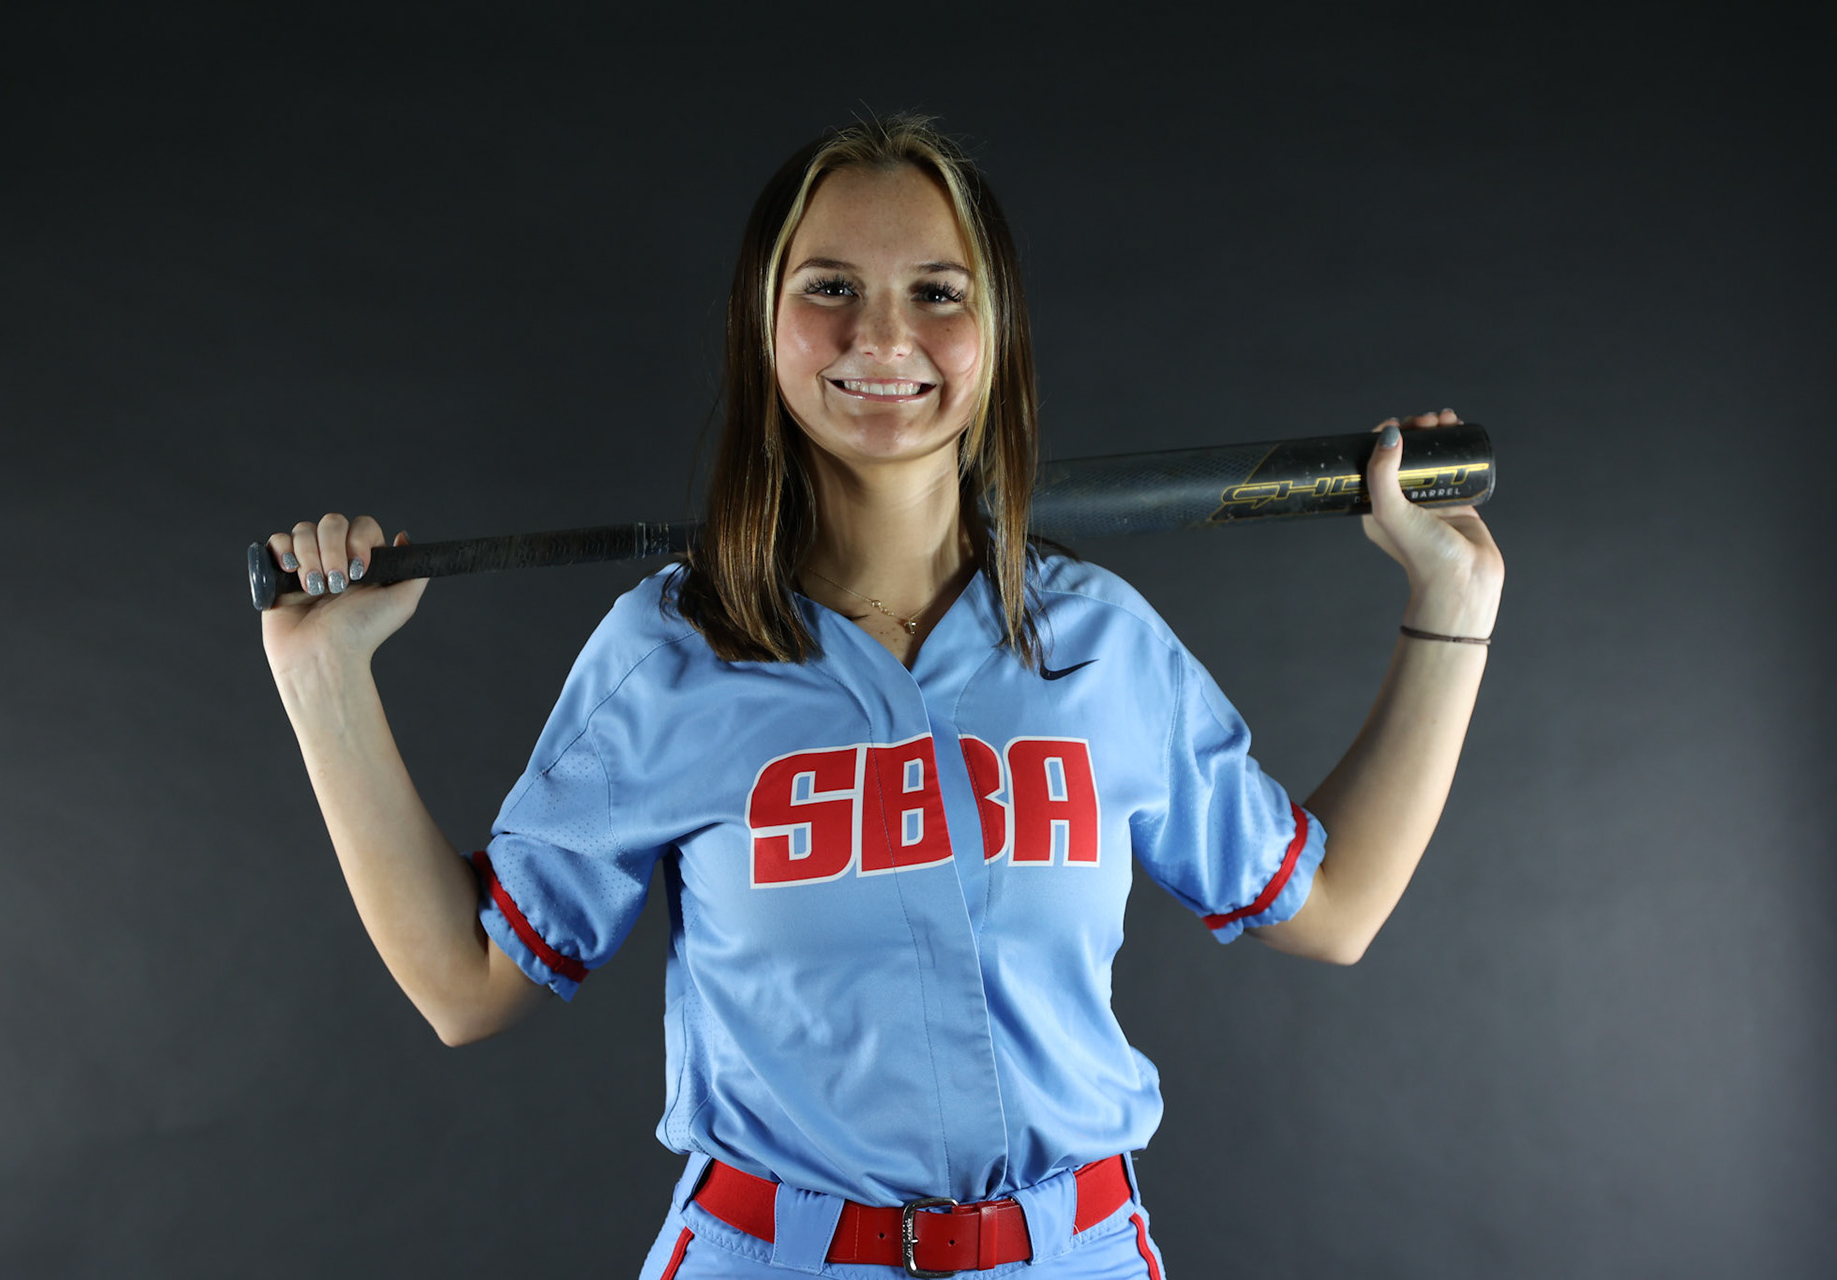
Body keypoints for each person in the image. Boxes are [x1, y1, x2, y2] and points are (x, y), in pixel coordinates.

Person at [260, 114, 1503, 1279]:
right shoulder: (672, 650)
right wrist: (322, 677)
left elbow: (1329, 906)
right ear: (765, 324)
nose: (883, 337)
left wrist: (1454, 602)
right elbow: (467, 982)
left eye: (937, 292)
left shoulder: (1099, 645)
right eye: (831, 287)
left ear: (995, 328)